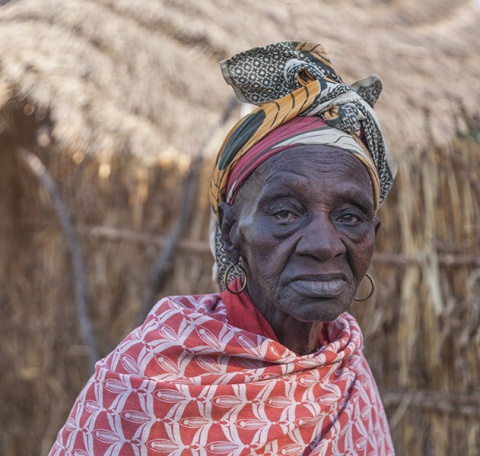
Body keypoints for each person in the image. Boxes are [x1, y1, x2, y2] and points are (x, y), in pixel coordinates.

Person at [50, 41, 397, 455]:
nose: (324, 245)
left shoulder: (344, 364)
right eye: (286, 212)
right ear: (232, 227)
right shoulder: (150, 381)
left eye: (350, 217)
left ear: (372, 233)